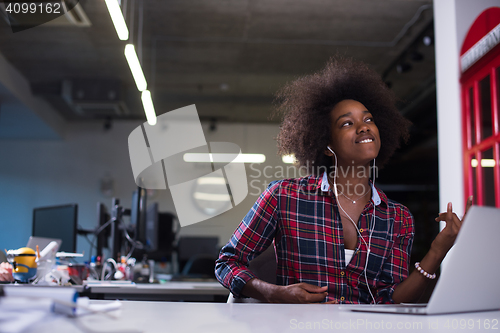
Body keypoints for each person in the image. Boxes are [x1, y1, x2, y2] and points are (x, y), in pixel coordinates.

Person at [215, 57, 472, 304]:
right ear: (327, 145)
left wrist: (438, 251)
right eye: (347, 123)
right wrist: (274, 293)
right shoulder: (284, 196)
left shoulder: (398, 218)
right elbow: (227, 262)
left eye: (368, 119)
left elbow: (392, 299)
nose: (363, 127)